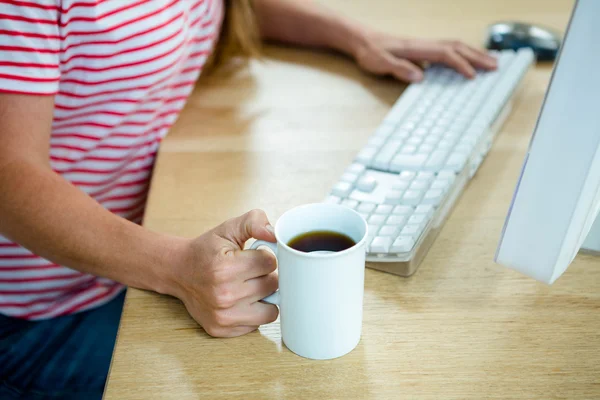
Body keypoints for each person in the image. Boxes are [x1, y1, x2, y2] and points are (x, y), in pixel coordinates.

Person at [0, 0, 496, 398]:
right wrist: (175, 266)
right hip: (45, 311)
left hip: (132, 255)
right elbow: (7, 176)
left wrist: (357, 37)